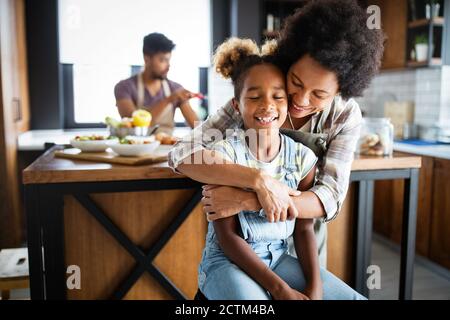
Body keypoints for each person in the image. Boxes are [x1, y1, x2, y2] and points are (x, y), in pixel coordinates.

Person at [169, 0, 384, 267]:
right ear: (290, 60)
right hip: (245, 245)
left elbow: (330, 196)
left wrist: (249, 199)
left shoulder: (344, 115)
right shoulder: (262, 94)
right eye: (296, 82)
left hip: (304, 244)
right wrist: (259, 180)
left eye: (319, 94)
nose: (301, 100)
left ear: (341, 90)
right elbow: (182, 153)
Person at [199, 38, 364, 300]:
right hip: (227, 262)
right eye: (254, 97)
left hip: (278, 256)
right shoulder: (226, 155)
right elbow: (227, 238)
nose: (267, 105)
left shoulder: (302, 158)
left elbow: (306, 225)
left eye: (277, 97)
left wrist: (315, 289)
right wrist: (280, 289)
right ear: (237, 106)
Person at [114, 32, 199, 134]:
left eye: (169, 60)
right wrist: (169, 99)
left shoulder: (175, 89)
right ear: (146, 59)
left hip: (168, 148)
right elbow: (134, 126)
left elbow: (199, 129)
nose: (168, 66)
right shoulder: (124, 87)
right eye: (162, 60)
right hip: (137, 147)